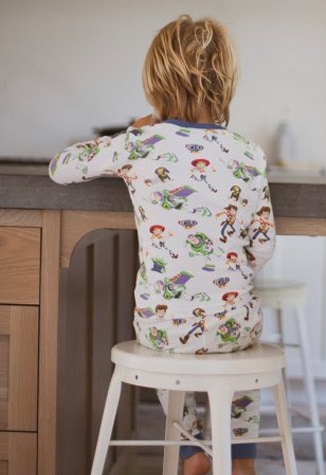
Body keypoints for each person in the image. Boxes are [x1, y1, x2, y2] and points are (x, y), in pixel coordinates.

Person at [49, 15, 275, 475]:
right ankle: (242, 459)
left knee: (168, 348)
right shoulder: (249, 153)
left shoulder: (140, 143)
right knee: (243, 358)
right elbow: (264, 245)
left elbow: (61, 167)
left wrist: (136, 129)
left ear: (154, 82)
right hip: (232, 323)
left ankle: (191, 448)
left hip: (162, 325)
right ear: (227, 83)